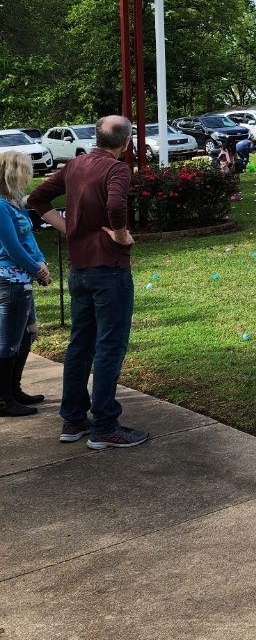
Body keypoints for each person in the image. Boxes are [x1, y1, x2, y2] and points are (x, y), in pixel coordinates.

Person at [28, 115, 149, 450]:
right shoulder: (118, 169)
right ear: (126, 143)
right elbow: (115, 204)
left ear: (97, 138)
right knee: (109, 345)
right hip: (108, 268)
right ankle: (105, 425)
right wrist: (122, 235)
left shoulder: (75, 165)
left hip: (79, 270)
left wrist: (66, 228)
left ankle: (74, 419)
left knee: (80, 343)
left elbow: (36, 199)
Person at [0, 151, 52, 417]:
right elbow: (12, 249)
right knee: (8, 340)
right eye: (26, 169)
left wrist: (40, 262)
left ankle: (15, 389)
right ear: (13, 172)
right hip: (9, 280)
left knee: (27, 334)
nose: (29, 175)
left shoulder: (15, 203)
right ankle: (3, 398)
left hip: (23, 278)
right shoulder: (0, 206)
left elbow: (28, 240)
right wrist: (37, 269)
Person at [218, 136, 243, 201]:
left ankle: (234, 194)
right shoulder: (224, 149)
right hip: (226, 165)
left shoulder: (231, 148)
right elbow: (225, 158)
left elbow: (234, 157)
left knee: (233, 179)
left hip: (230, 165)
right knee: (228, 179)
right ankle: (230, 194)